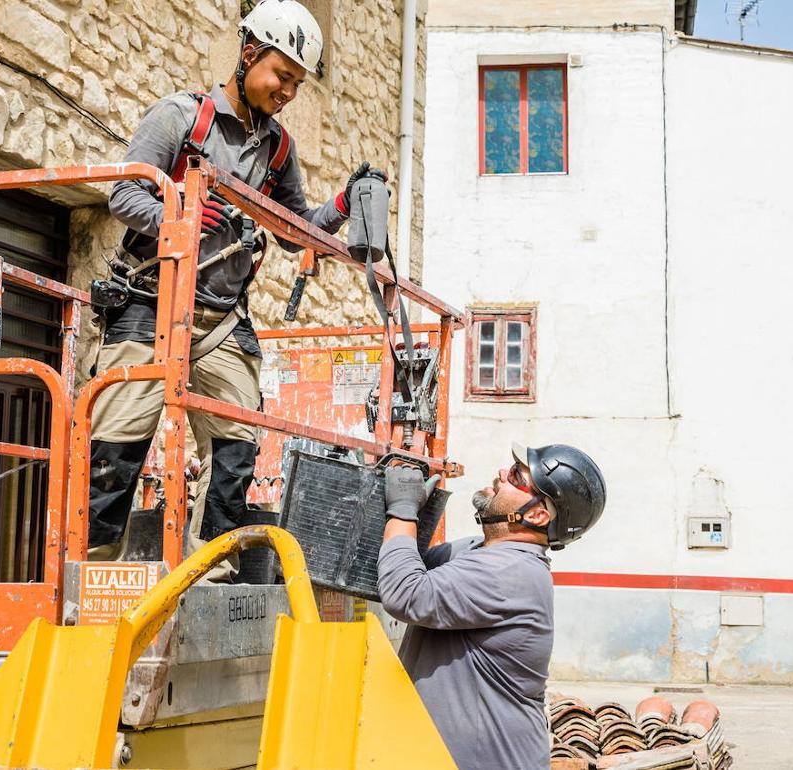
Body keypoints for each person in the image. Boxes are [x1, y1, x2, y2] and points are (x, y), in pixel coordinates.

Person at [90, 0, 384, 567]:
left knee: (236, 448)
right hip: (149, 303)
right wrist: (174, 215)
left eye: (298, 84)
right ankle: (94, 568)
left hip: (219, 318)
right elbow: (122, 194)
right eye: (282, 76)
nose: (288, 93)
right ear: (249, 54)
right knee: (115, 448)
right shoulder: (181, 117)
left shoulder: (278, 149)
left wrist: (345, 202)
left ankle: (208, 567)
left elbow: (297, 233)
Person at [377, 443, 607, 770]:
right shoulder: (478, 553)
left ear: (537, 514)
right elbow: (398, 567)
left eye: (515, 475)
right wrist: (414, 512)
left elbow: (405, 592)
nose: (501, 473)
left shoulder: (512, 572)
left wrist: (402, 509)